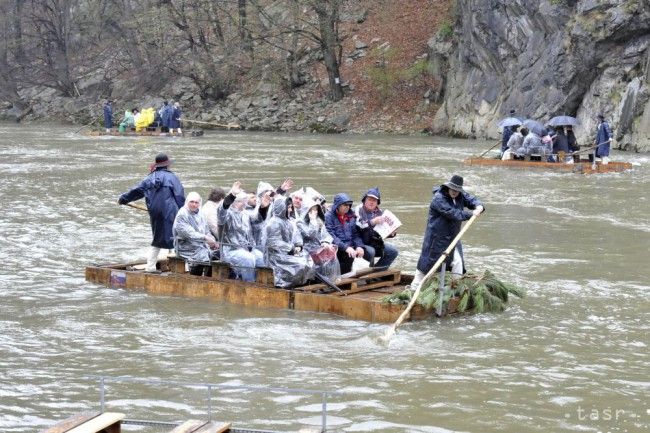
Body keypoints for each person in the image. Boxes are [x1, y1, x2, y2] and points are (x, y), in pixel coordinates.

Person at [118, 153, 185, 272]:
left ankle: (150, 267)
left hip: (155, 213)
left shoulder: (148, 178)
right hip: (171, 212)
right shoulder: (172, 178)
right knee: (175, 237)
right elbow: (179, 196)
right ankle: (177, 267)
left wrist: (123, 199)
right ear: (167, 165)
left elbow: (136, 191)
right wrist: (183, 212)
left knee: (158, 238)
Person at [413, 175, 484, 287]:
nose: (455, 192)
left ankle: (457, 289)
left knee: (457, 263)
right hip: (437, 239)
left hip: (453, 238)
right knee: (427, 266)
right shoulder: (438, 198)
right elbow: (453, 213)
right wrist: (471, 214)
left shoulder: (460, 195)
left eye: (457, 190)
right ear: (448, 187)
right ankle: (414, 288)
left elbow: (471, 199)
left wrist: (479, 206)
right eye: (453, 189)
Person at [217, 181, 265, 282]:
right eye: (240, 201)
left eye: (244, 201)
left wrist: (263, 207)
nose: (244, 203)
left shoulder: (245, 213)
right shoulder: (227, 214)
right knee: (248, 259)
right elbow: (222, 209)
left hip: (247, 248)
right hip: (231, 250)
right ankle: (249, 284)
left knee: (261, 257)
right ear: (233, 202)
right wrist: (232, 195)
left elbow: (257, 219)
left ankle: (261, 283)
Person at [265, 197, 315, 288]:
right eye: (289, 207)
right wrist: (291, 249)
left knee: (308, 258)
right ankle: (284, 283)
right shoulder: (273, 223)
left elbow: (296, 235)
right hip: (276, 255)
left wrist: (299, 245)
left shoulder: (289, 221)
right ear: (282, 208)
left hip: (288, 252)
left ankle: (300, 283)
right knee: (301, 263)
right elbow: (274, 242)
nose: (291, 209)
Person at [173, 192, 218, 276]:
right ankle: (195, 277)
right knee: (202, 256)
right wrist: (205, 238)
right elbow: (190, 234)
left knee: (219, 254)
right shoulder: (182, 214)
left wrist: (212, 240)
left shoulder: (200, 213)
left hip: (201, 243)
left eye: (196, 202)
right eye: (191, 202)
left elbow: (206, 230)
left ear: (199, 203)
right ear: (187, 202)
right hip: (186, 245)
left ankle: (208, 278)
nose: (194, 205)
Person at [324, 193, 370, 274]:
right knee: (348, 257)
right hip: (338, 248)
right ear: (337, 205)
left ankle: (364, 277)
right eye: (345, 205)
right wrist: (346, 248)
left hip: (351, 246)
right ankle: (345, 278)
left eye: (349, 205)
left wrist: (359, 246)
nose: (348, 207)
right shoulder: (328, 216)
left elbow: (355, 234)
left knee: (367, 253)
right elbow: (331, 236)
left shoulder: (351, 216)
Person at [354, 187, 399, 269]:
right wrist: (372, 222)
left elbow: (381, 232)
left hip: (374, 242)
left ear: (377, 202)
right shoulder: (358, 209)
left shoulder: (381, 213)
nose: (371, 202)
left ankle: (376, 273)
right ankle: (366, 275)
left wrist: (391, 233)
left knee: (392, 251)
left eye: (374, 200)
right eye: (369, 199)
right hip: (360, 242)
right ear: (364, 200)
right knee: (371, 251)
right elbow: (359, 225)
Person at [297, 197, 339, 281]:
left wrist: (325, 242)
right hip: (306, 249)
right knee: (318, 258)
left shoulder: (319, 221)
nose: (314, 212)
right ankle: (316, 281)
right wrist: (312, 222)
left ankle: (331, 279)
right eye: (312, 210)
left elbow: (326, 234)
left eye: (316, 210)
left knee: (331, 253)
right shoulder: (300, 222)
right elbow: (309, 235)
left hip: (318, 247)